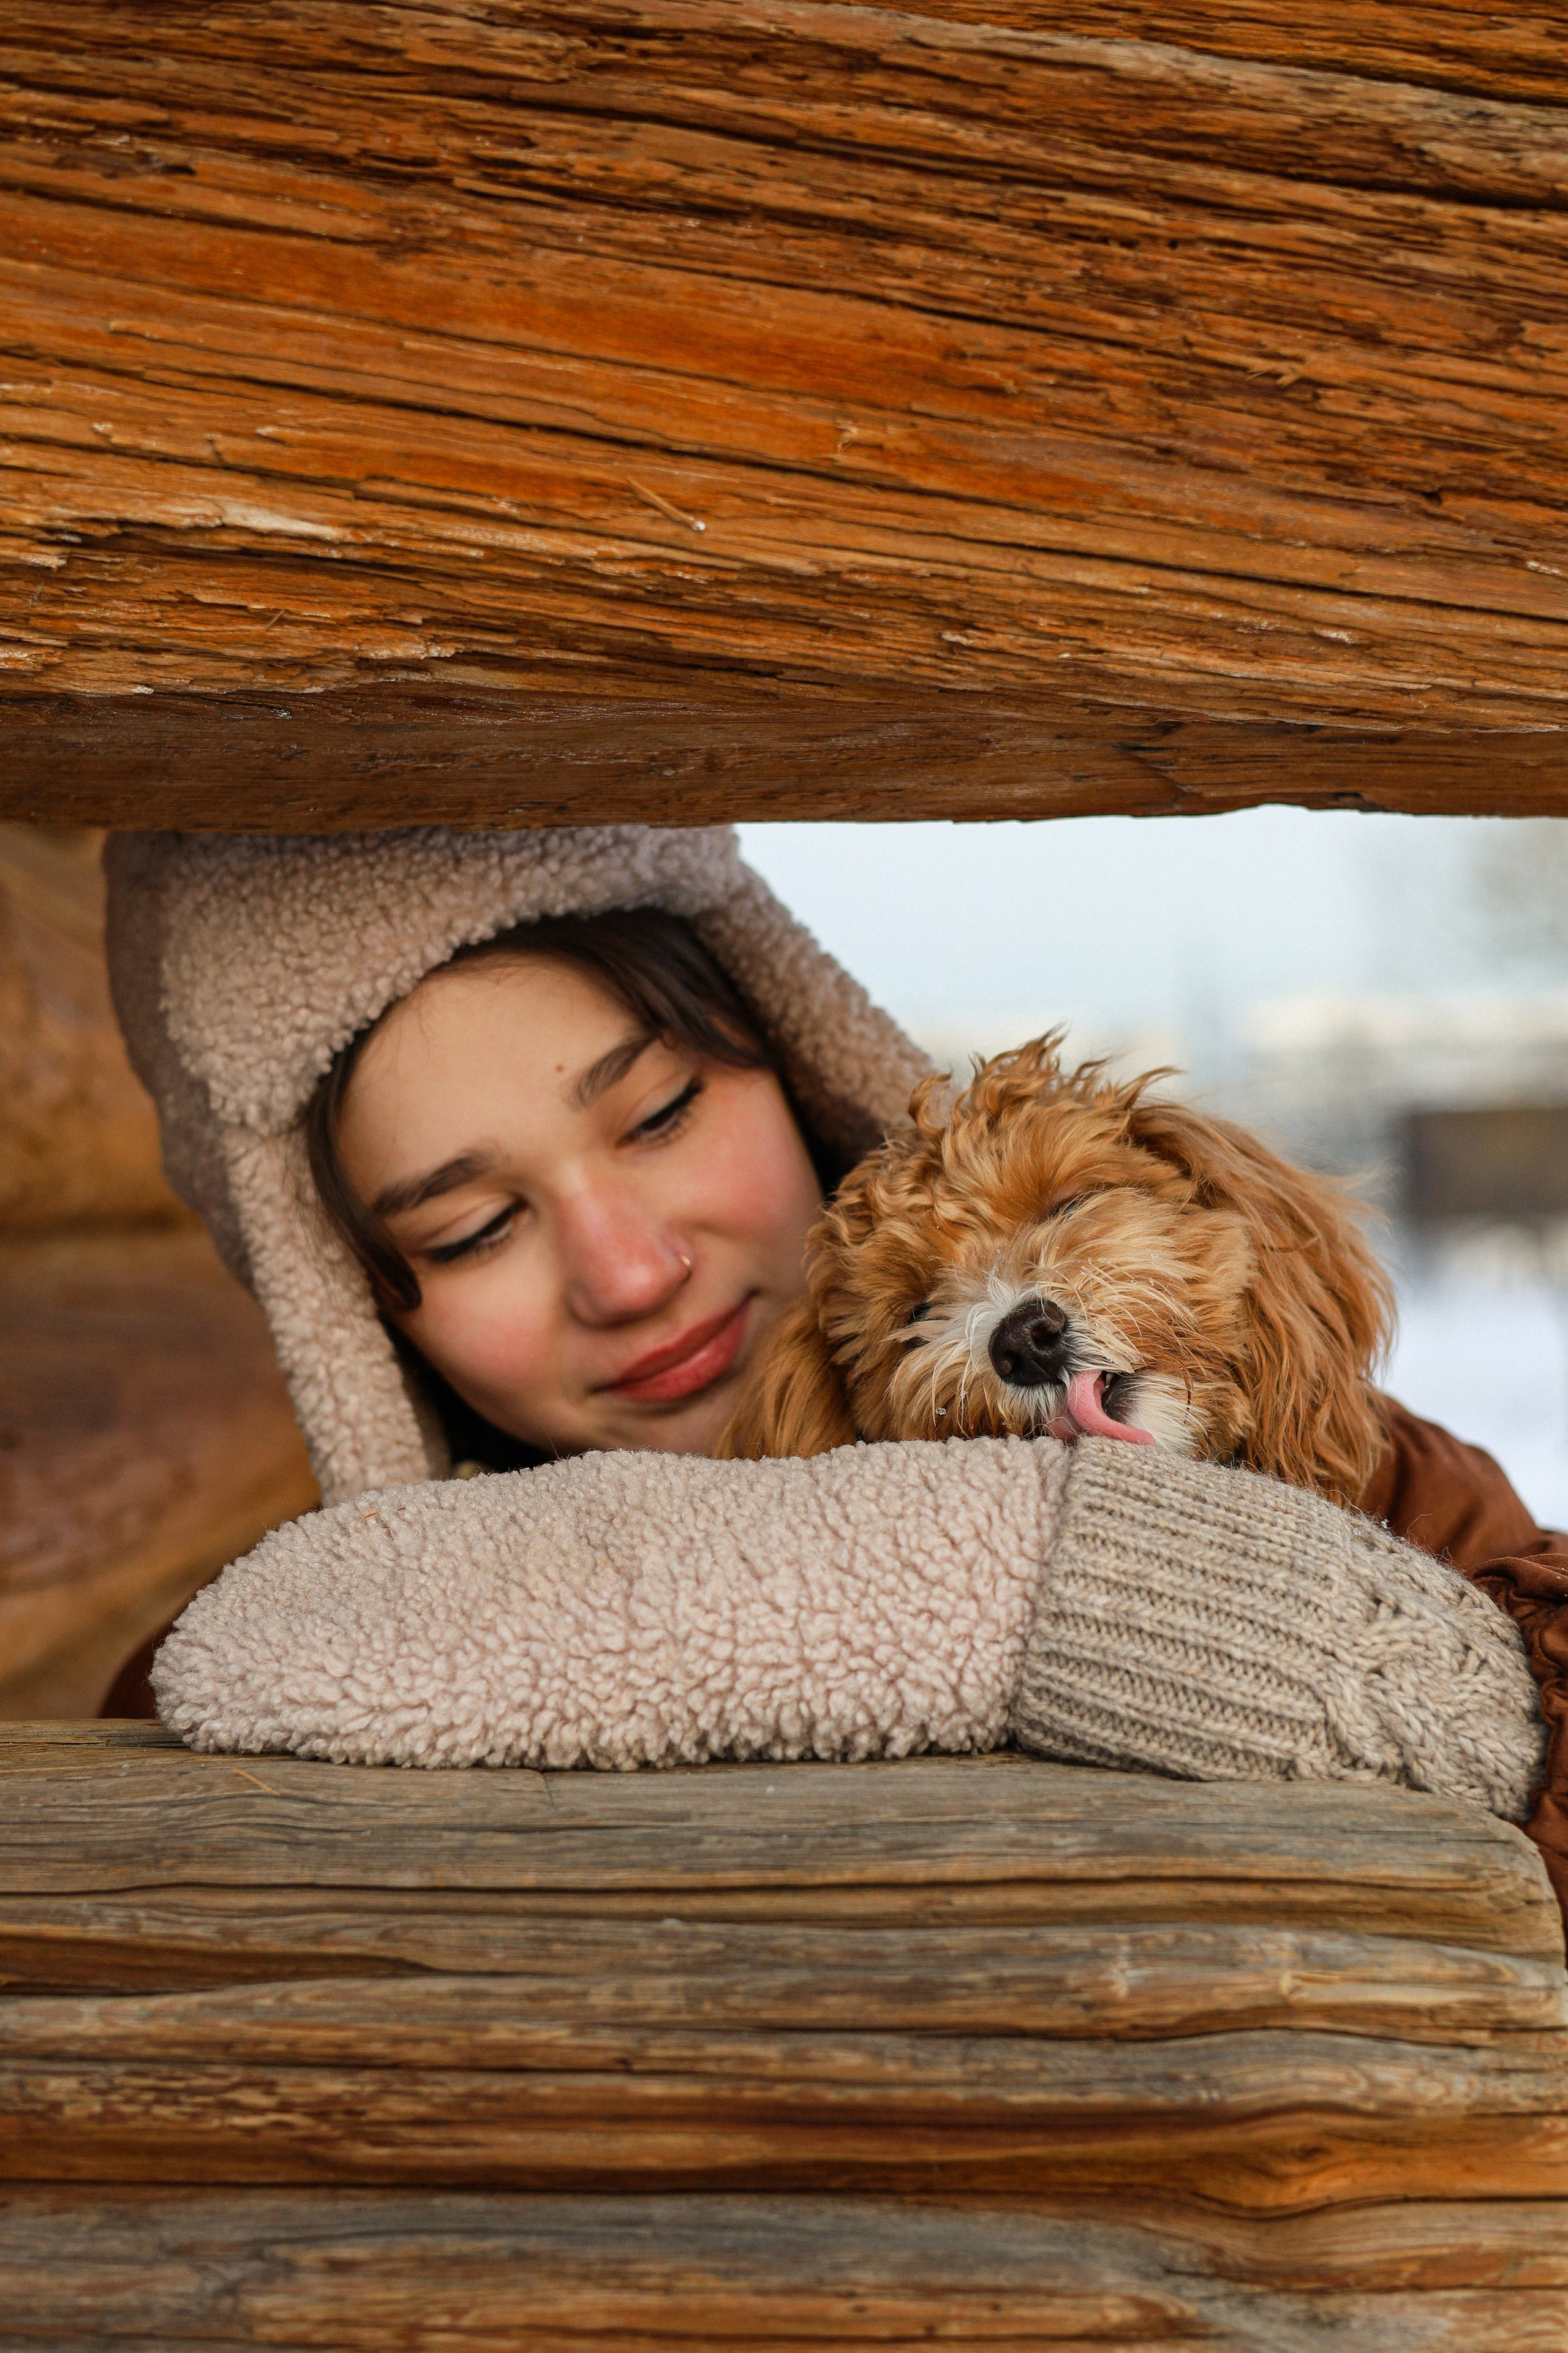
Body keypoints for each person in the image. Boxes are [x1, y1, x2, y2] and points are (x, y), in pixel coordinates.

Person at [102, 824, 1568, 1914]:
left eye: (663, 1111)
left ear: (794, 1058)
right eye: (477, 1226)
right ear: (362, 1312)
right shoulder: (259, 1669)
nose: (628, 1271)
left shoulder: (1381, 1490)